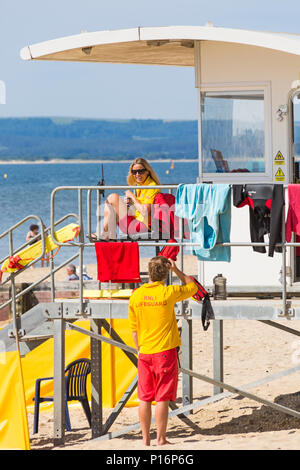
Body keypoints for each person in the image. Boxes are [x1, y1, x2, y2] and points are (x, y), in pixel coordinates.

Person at [128, 256, 197, 446]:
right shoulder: (168, 292)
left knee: (144, 397)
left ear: (148, 272)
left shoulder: (136, 295)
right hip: (164, 352)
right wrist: (176, 270)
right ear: (165, 274)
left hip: (145, 351)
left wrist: (139, 348)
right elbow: (193, 287)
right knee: (162, 398)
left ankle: (145, 439)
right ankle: (161, 438)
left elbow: (133, 328)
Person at [91, 158, 161, 240]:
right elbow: (138, 209)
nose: (137, 174)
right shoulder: (141, 185)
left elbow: (144, 211)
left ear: (147, 171)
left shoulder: (151, 186)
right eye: (134, 172)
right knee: (111, 204)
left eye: (140, 171)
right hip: (136, 222)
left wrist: (132, 197)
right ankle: (107, 233)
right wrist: (130, 205)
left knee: (113, 197)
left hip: (142, 227)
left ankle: (106, 233)